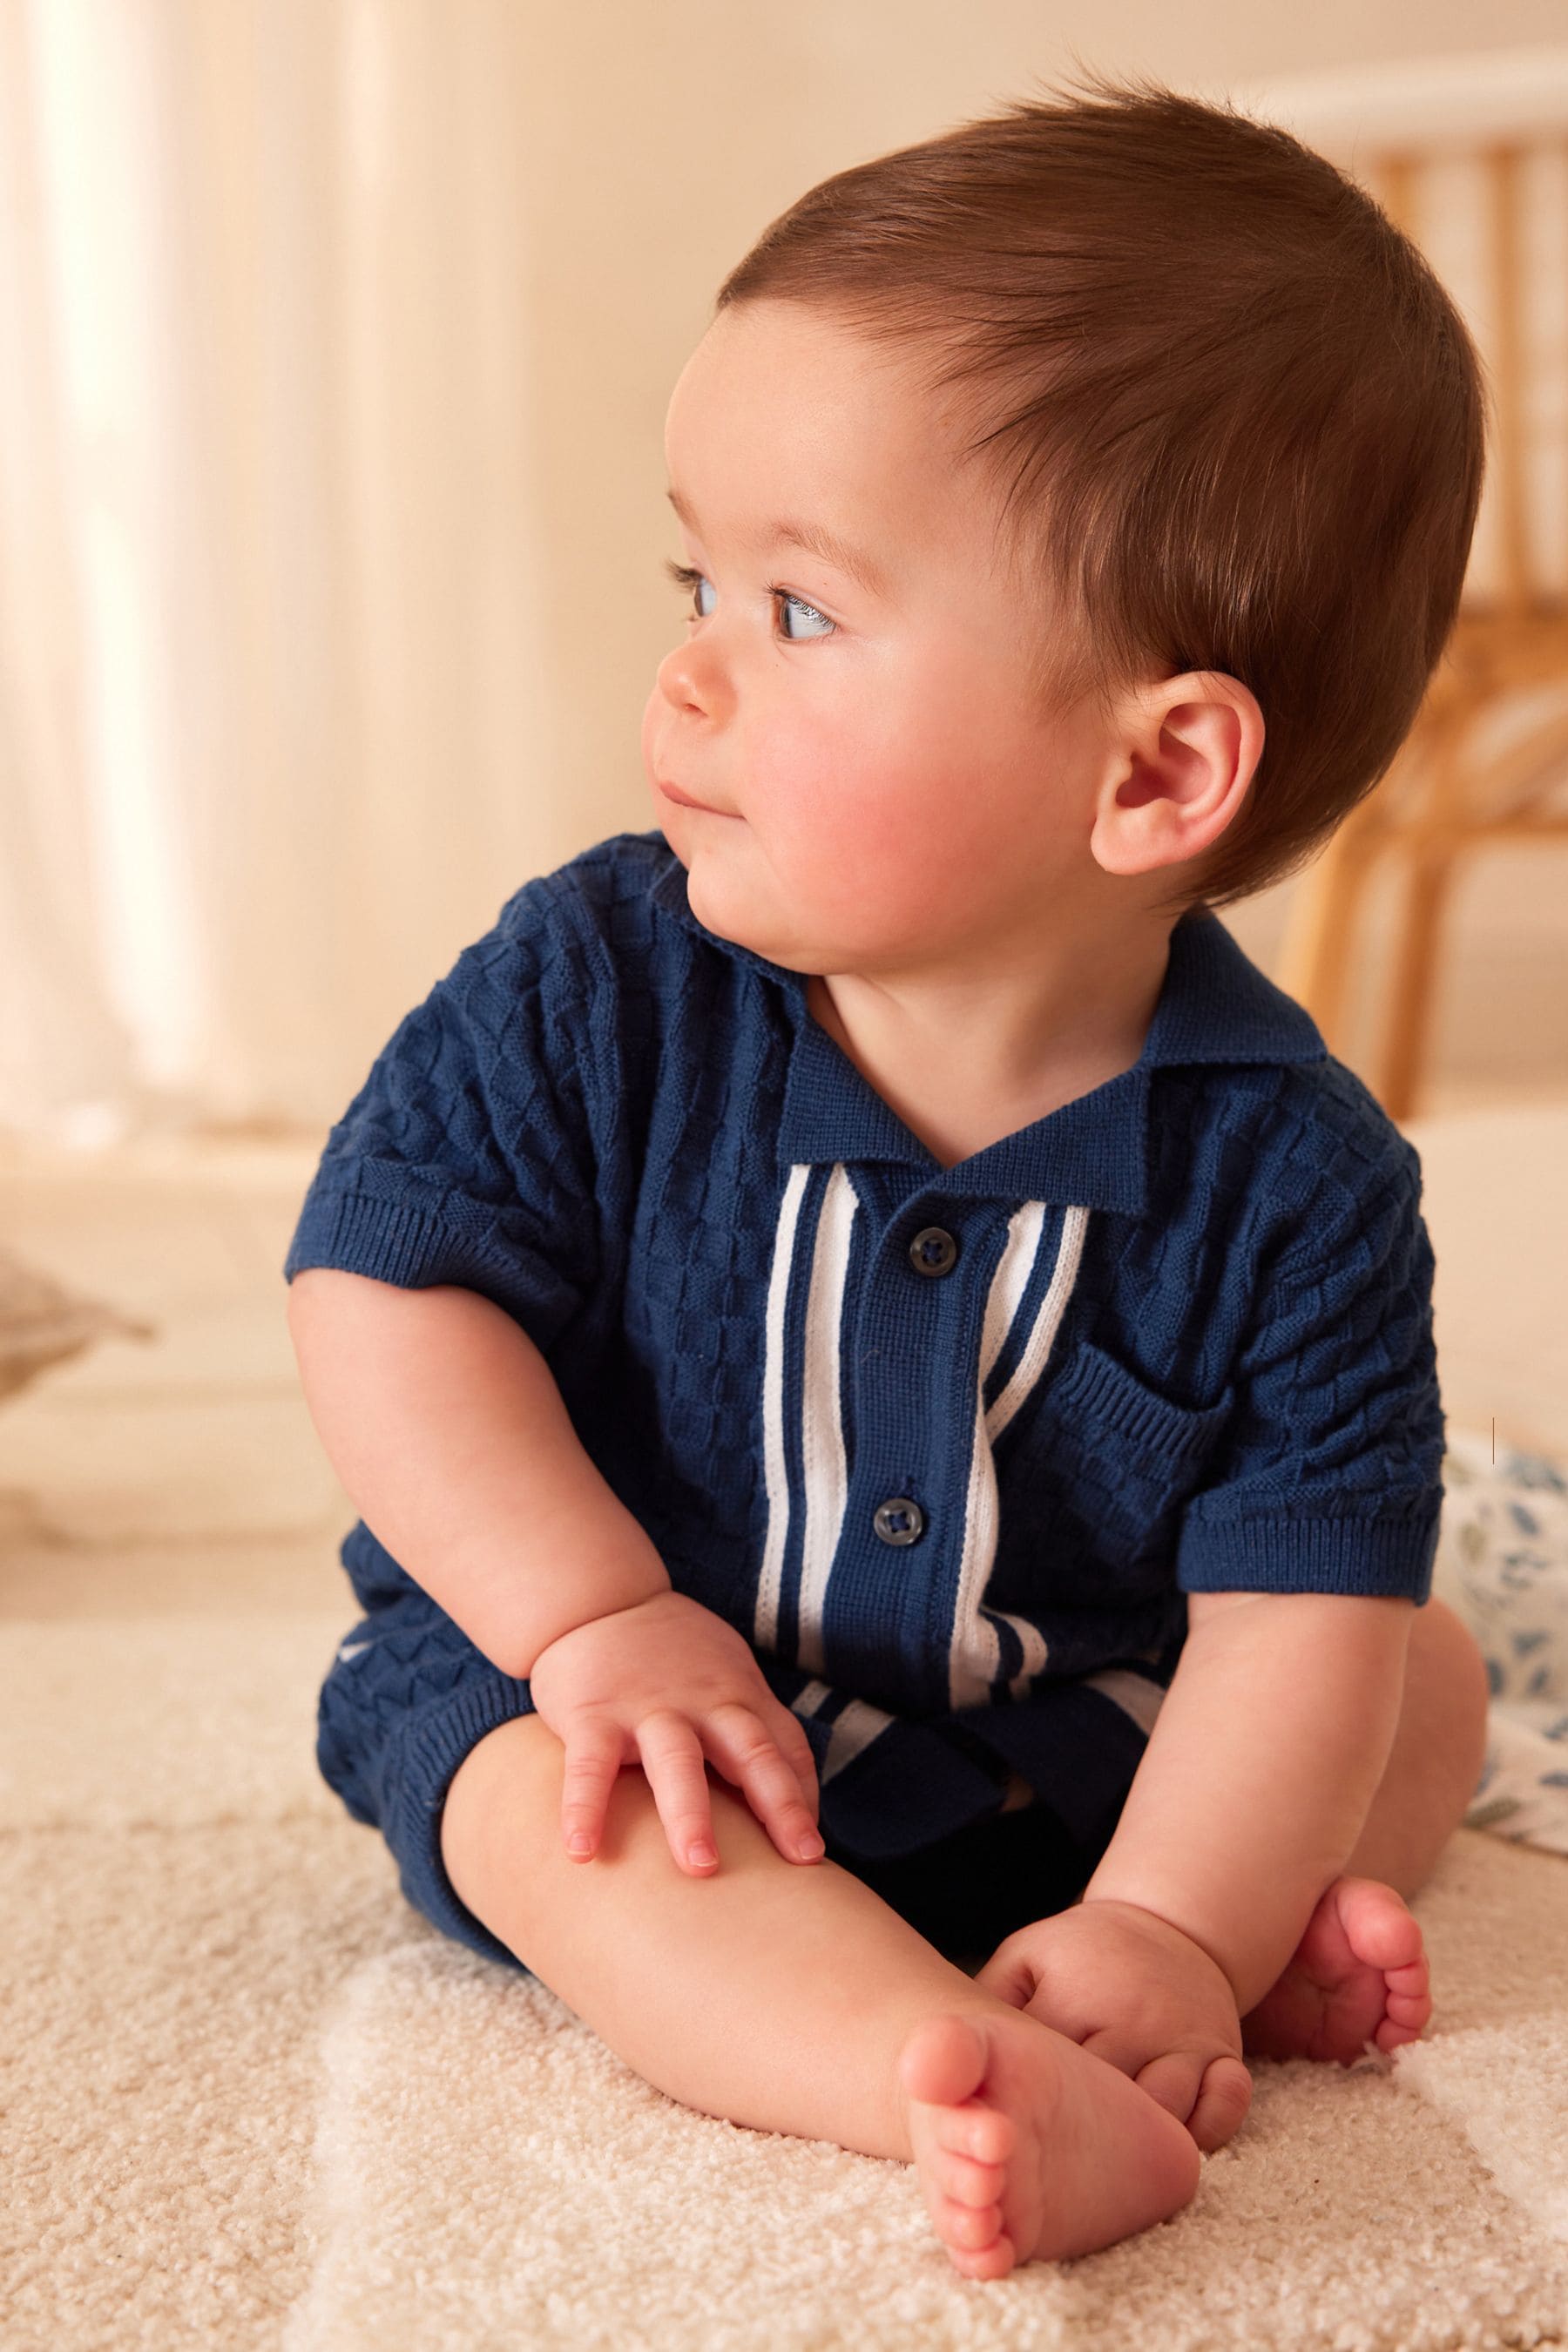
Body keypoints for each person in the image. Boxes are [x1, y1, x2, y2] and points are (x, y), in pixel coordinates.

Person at [284, 71, 1495, 2276]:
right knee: (572, 1842)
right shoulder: (596, 981)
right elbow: (383, 1288)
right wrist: (593, 1619)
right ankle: (910, 2064)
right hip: (647, 1709)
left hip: (1071, 1733)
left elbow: (1288, 1611)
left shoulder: (1300, 1177)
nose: (688, 667)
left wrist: (1170, 1910)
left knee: (1407, 1669)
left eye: (801, 613)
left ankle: (1151, 1973)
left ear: (1156, 771)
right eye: (698, 576)